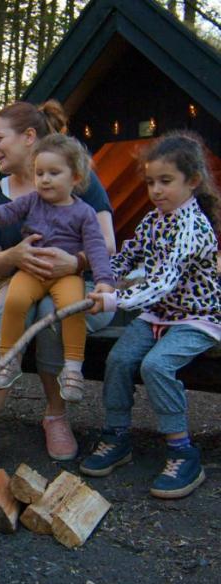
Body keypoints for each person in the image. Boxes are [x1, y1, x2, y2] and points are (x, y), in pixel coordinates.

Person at [0, 100, 116, 483]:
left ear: (28, 137)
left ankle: (55, 414)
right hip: (14, 282)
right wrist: (16, 255)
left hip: (81, 283)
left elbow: (108, 243)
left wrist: (73, 264)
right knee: (13, 307)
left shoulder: (77, 177)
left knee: (48, 313)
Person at [80, 132, 221, 499]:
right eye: (150, 182)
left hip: (196, 317)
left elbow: (161, 281)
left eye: (165, 181)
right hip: (159, 314)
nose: (156, 190)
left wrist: (112, 301)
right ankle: (116, 435)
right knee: (120, 359)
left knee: (156, 366)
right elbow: (129, 256)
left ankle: (181, 451)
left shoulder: (192, 226)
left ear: (192, 181)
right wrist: (102, 278)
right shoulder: (154, 219)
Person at [0, 133, 115, 399]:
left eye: (54, 173)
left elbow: (97, 248)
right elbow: (11, 211)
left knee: (71, 310)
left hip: (67, 276)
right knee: (14, 303)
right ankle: (8, 360)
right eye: (39, 173)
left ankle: (73, 368)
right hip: (32, 272)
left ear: (75, 177)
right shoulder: (32, 201)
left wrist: (104, 281)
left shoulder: (84, 212)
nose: (45, 179)